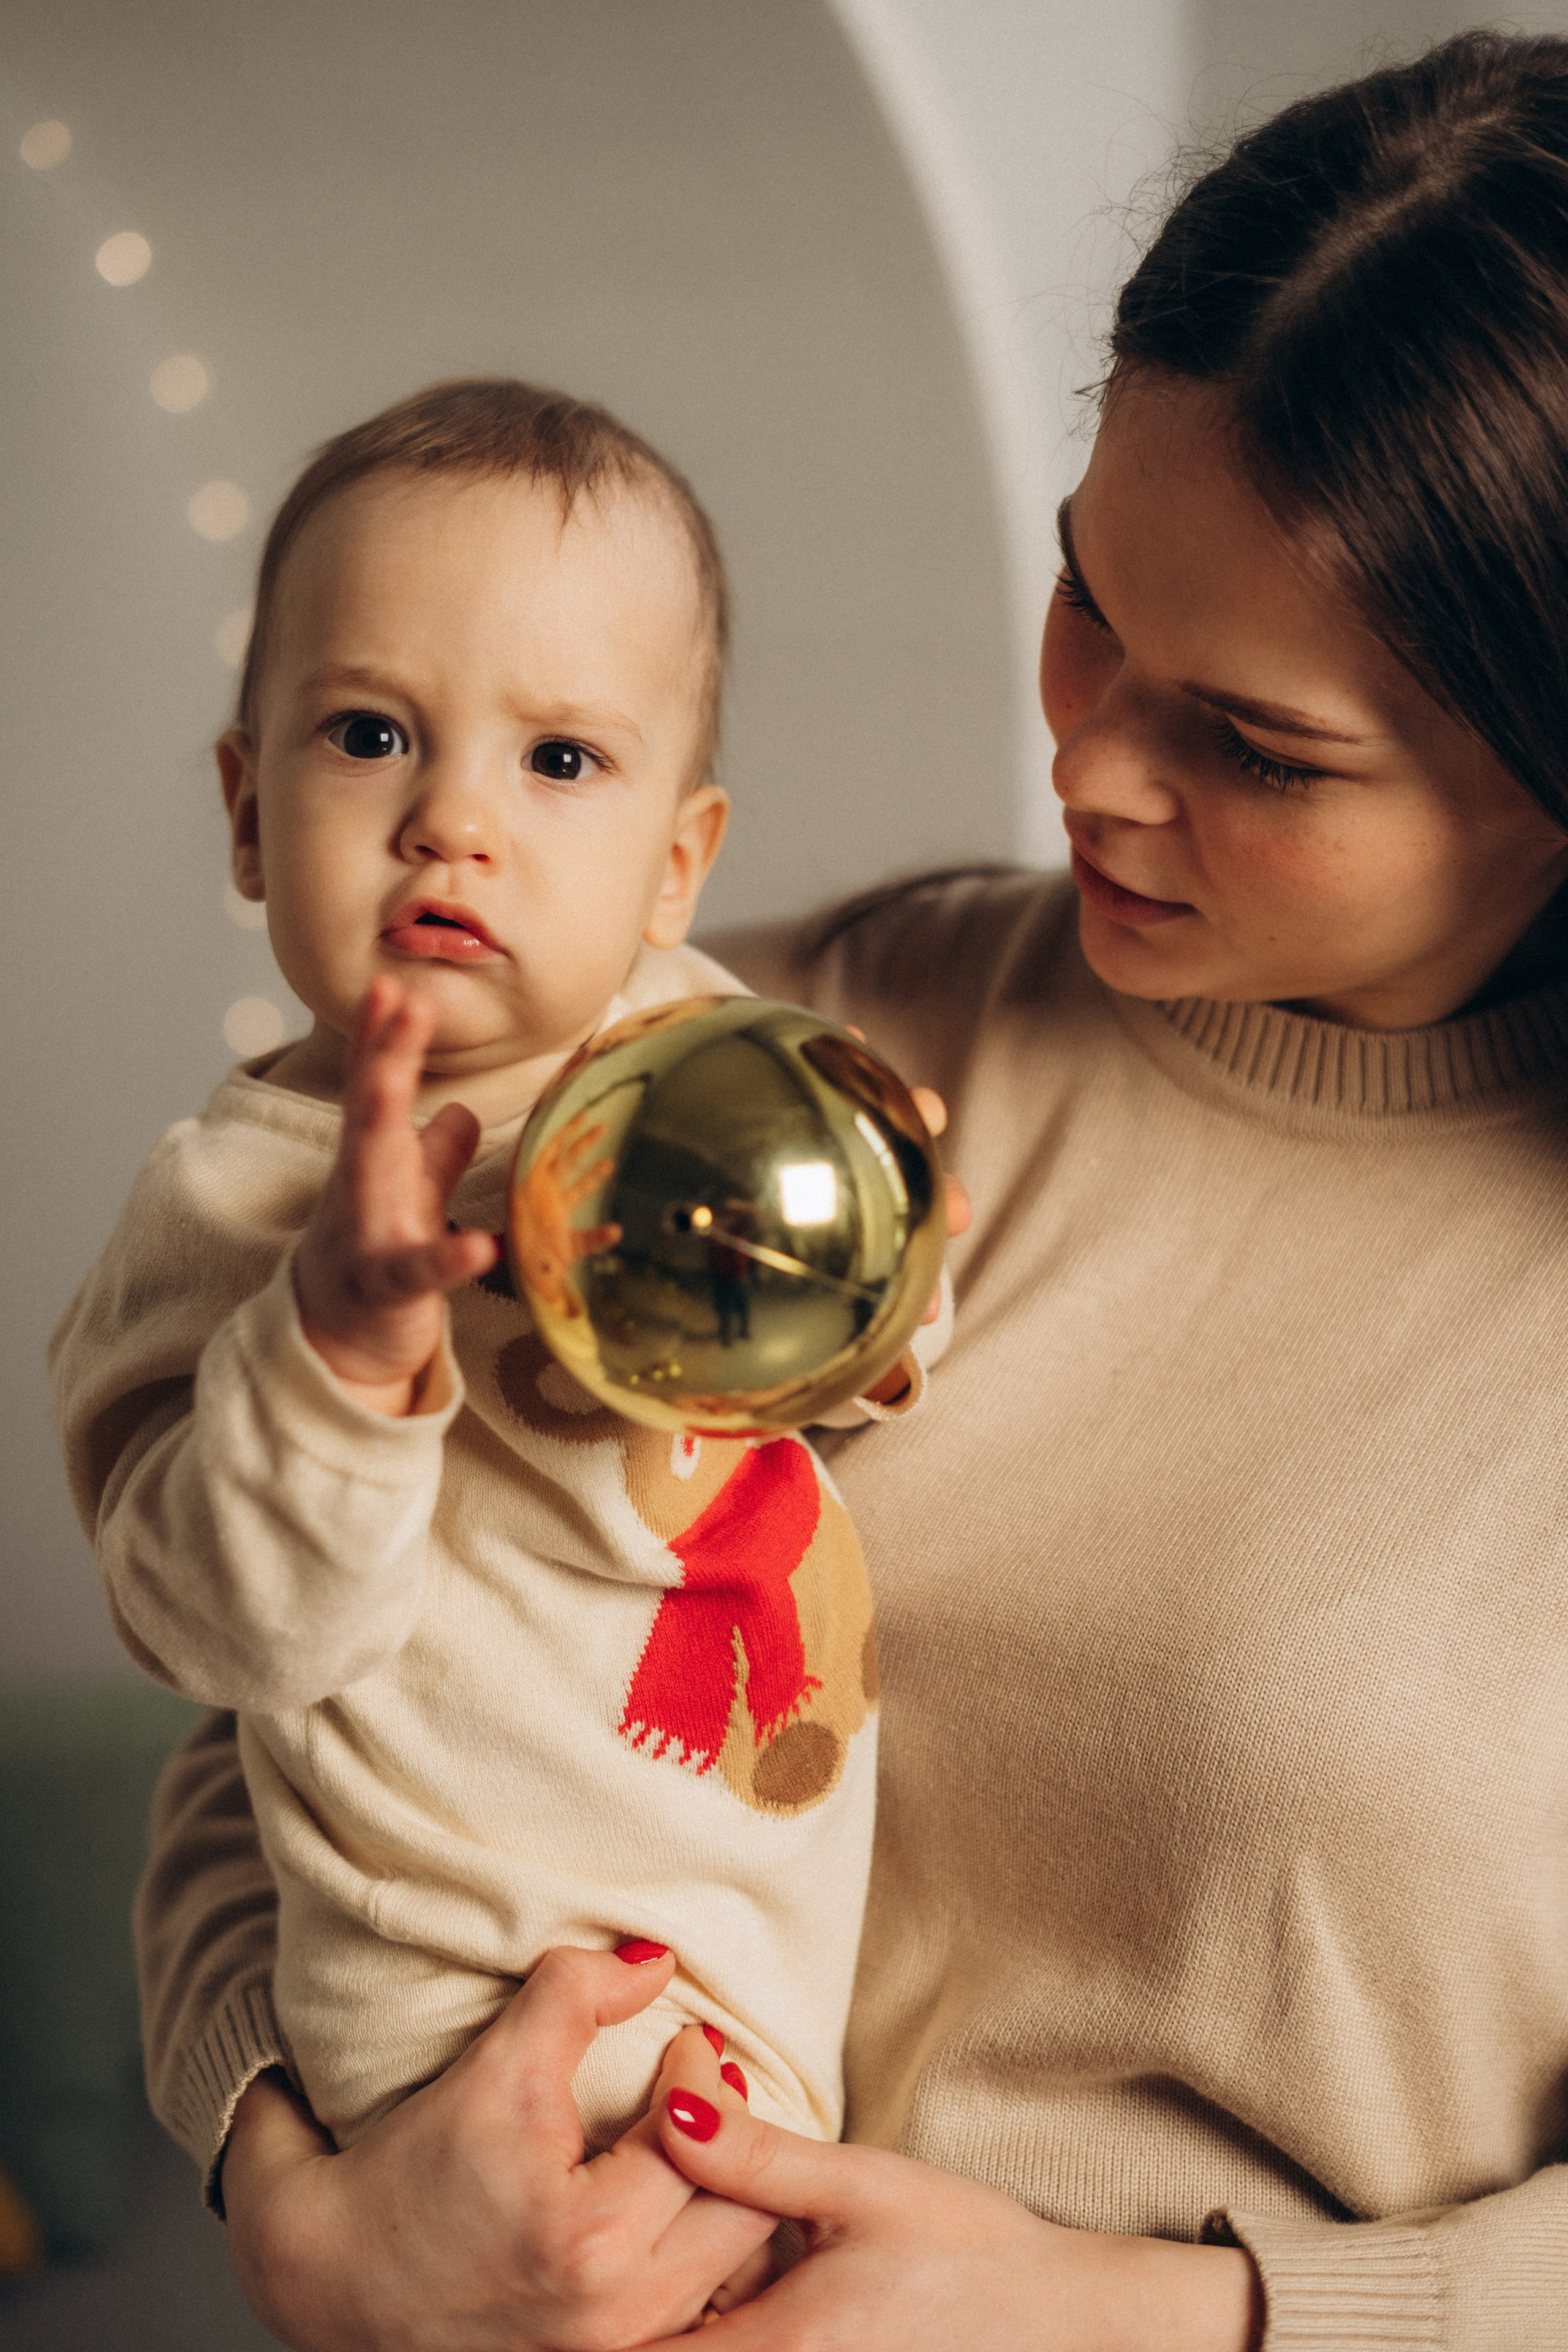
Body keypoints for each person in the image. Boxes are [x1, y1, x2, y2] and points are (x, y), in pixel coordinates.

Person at [126, 29, 1568, 2351]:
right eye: (1098, 603)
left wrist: (1160, 2317)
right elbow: (292, 1688)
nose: (1082, 763)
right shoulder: (760, 1055)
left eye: (1256, 742)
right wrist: (297, 2190)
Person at [50, 379, 948, 2318]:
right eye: (372, 733)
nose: (454, 816)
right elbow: (225, 1639)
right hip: (464, 2024)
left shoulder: (708, 1066)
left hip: (762, 1994)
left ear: (680, 858)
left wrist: (885, 1262)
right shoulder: (226, 1213)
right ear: (244, 809)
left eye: (561, 758)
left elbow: (855, 1367)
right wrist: (341, 1342)